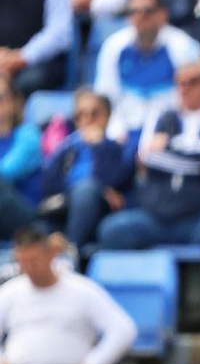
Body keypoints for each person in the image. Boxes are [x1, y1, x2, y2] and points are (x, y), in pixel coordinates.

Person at [97, 57, 200, 332]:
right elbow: (145, 156)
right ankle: (120, 315)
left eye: (192, 82)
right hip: (156, 216)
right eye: (180, 82)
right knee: (113, 230)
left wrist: (169, 147)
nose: (185, 88)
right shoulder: (161, 116)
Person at [0, 226, 136, 364]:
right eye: (22, 262)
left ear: (51, 255)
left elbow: (123, 329)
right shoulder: (11, 291)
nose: (28, 268)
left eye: (34, 260)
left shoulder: (81, 290)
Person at [94, 0, 200, 141]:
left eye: (147, 11)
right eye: (133, 12)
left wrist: (174, 132)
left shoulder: (184, 47)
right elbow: (105, 97)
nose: (140, 17)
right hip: (126, 132)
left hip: (172, 133)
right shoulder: (113, 47)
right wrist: (115, 131)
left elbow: (197, 98)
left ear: (163, 14)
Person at [36, 89, 133, 253]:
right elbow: (47, 185)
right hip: (67, 204)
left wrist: (100, 146)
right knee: (39, 228)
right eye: (80, 115)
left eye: (94, 114)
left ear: (107, 117)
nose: (87, 120)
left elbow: (115, 180)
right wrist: (64, 148)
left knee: (87, 188)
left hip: (100, 204)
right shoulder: (67, 148)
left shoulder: (117, 148)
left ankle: (70, 251)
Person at [0, 72, 43, 241]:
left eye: (1, 97)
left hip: (26, 216)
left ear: (14, 101)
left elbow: (7, 171)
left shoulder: (28, 135)